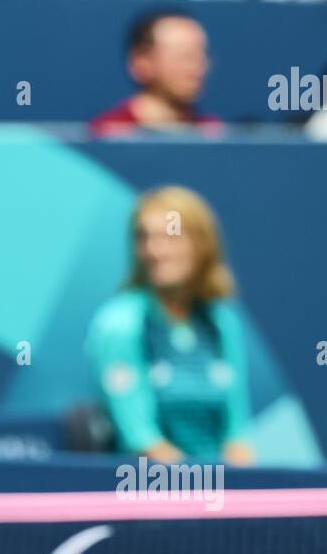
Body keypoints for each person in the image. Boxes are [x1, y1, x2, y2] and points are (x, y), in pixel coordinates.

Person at [86, 186, 254, 465]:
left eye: (170, 236)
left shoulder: (221, 322)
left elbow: (238, 436)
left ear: (202, 244)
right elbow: (142, 441)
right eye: (144, 237)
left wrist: (240, 491)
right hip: (146, 492)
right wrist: (205, 490)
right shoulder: (120, 324)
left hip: (217, 494)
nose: (154, 250)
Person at [89, 12, 222, 137]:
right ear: (142, 63)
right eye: (185, 56)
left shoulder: (212, 132)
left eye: (200, 57)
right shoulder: (108, 132)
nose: (198, 68)